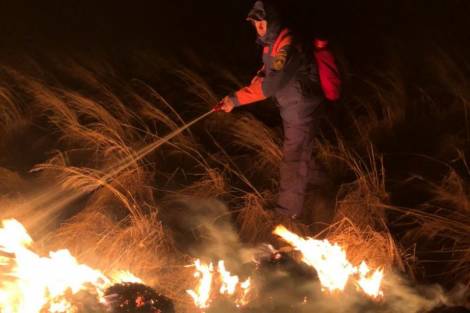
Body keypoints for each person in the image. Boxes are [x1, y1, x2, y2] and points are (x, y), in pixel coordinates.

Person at [218, 0, 325, 218]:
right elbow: (267, 73)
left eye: (261, 21)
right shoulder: (270, 44)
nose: (258, 26)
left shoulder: (287, 43)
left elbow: (270, 85)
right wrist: (247, 86)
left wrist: (235, 100)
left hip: (302, 107)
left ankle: (287, 215)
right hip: (292, 106)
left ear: (272, 21)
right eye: (254, 22)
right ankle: (325, 183)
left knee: (293, 159)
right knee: (301, 153)